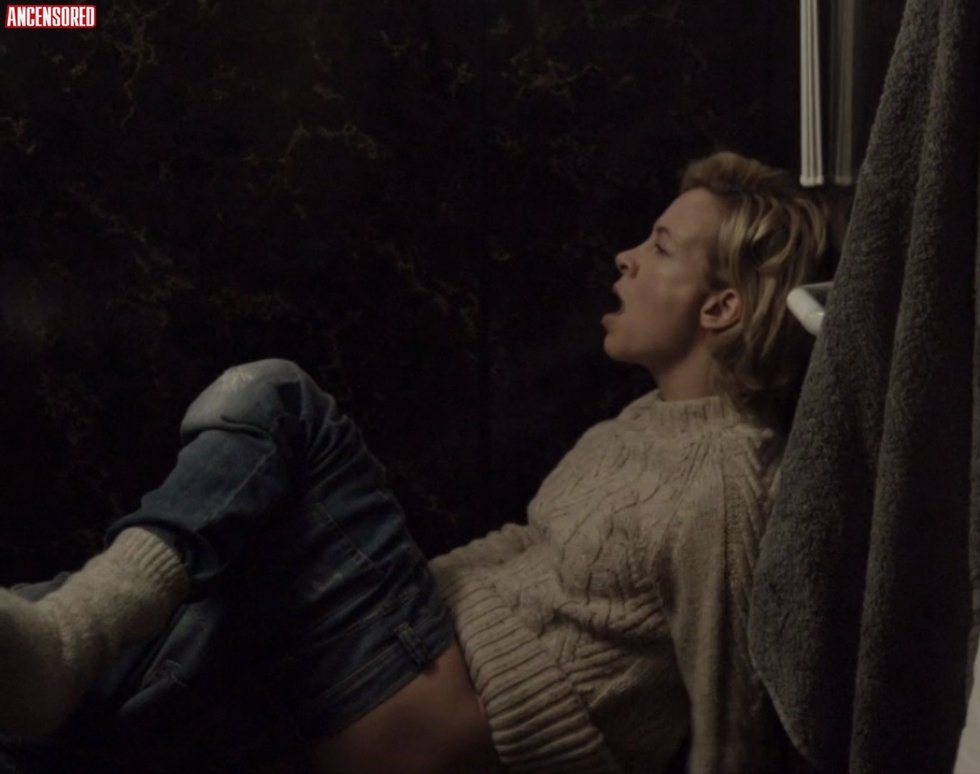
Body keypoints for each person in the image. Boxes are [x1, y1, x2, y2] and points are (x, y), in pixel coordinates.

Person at [0, 151, 837, 773]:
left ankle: (69, 637)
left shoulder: (728, 480)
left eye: (659, 246)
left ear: (720, 307)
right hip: (408, 657)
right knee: (109, 660)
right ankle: (63, 641)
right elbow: (527, 554)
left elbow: (734, 726)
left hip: (441, 706)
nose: (627, 257)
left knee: (278, 399)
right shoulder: (642, 423)